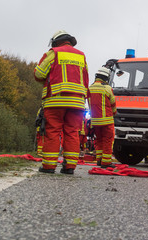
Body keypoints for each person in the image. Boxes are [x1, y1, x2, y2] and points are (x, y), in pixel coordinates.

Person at [34, 30, 89, 174]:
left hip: (56, 101)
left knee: (52, 131)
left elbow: (39, 74)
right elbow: (86, 78)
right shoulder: (81, 56)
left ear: (56, 41)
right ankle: (70, 167)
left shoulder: (53, 53)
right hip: (77, 103)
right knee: (72, 132)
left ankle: (49, 167)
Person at [88, 66, 117, 168]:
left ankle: (99, 160)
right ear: (106, 78)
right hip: (107, 121)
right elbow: (113, 104)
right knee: (108, 140)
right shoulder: (107, 88)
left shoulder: (90, 88)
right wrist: (114, 113)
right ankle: (106, 162)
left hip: (95, 121)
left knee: (99, 140)